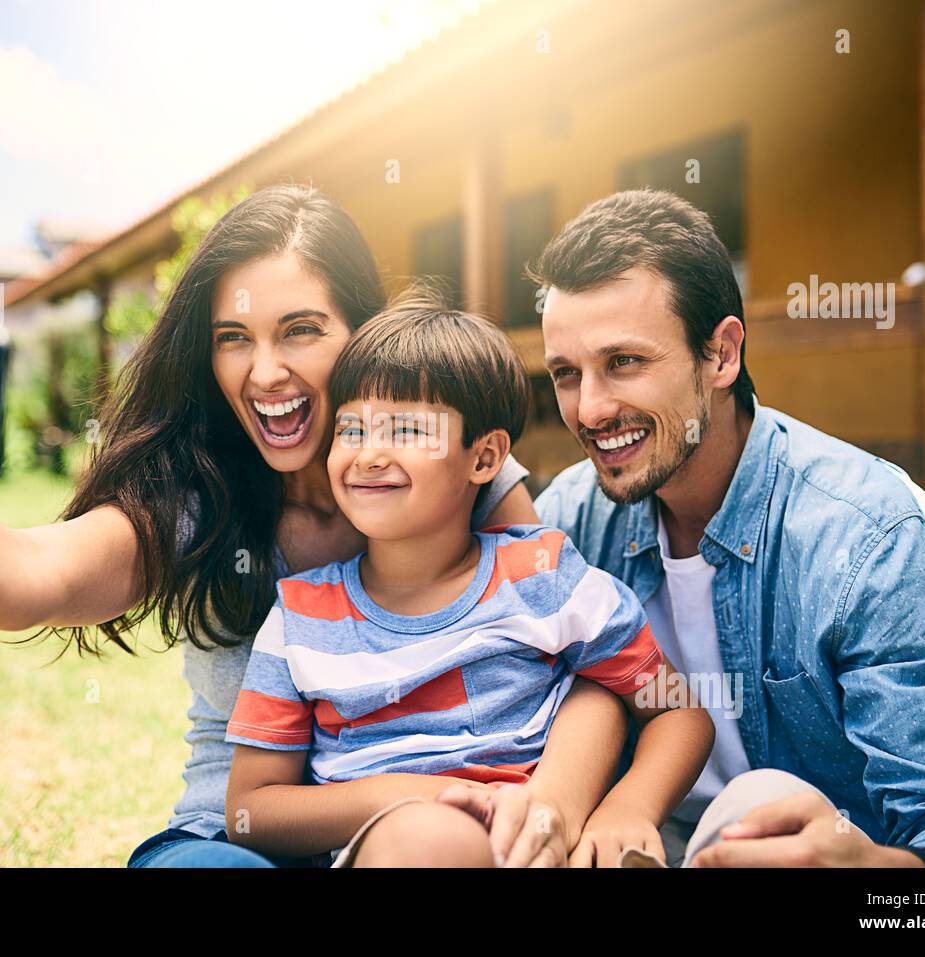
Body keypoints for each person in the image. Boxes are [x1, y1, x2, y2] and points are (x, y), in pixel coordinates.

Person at [0, 185, 627, 868]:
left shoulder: (457, 475)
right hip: (238, 837)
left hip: (433, 839)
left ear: (365, 334)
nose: (265, 370)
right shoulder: (194, 493)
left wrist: (551, 799)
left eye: (302, 330)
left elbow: (574, 650)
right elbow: (27, 576)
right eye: (233, 336)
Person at [530, 188, 925, 868]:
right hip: (625, 848)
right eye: (566, 373)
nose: (589, 409)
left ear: (721, 356)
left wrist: (863, 866)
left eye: (624, 362)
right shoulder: (566, 524)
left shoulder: (873, 537)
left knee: (759, 797)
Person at [223, 301, 714, 866]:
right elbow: (251, 810)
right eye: (351, 428)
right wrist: (409, 797)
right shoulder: (301, 615)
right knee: (432, 841)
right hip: (398, 850)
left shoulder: (542, 575)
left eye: (406, 429)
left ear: (484, 458)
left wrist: (624, 811)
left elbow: (678, 711)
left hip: (539, 846)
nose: (370, 455)